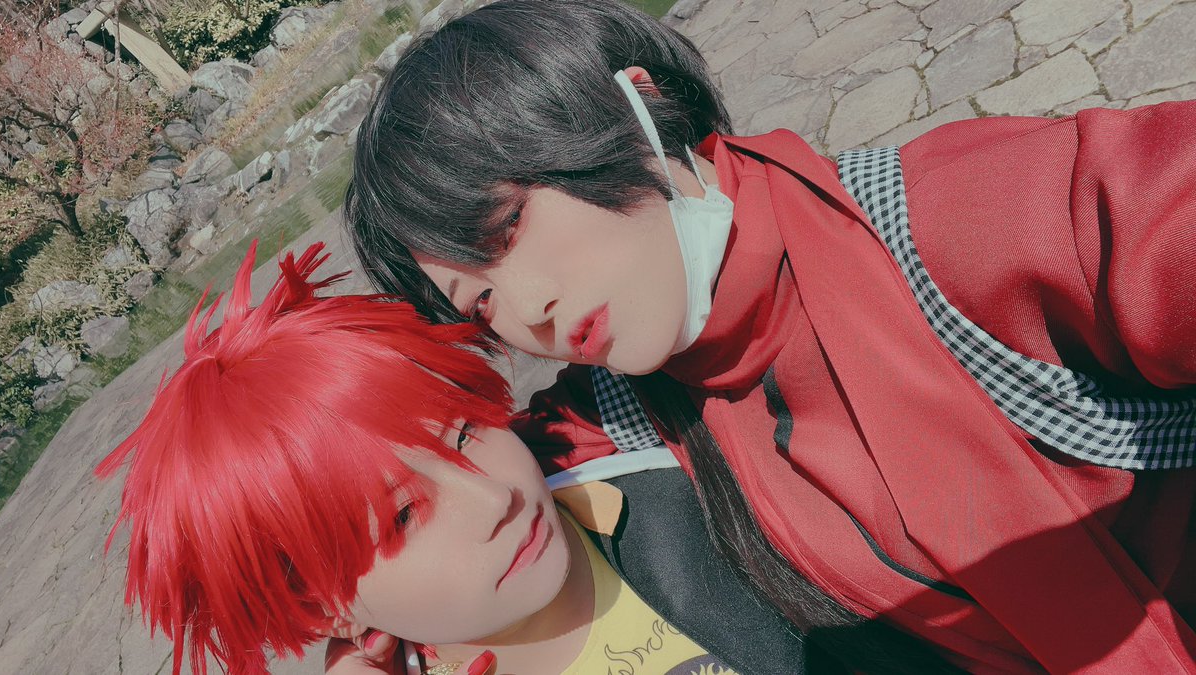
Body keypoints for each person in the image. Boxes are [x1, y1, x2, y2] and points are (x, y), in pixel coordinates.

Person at [343, 0, 1196, 672]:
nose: (529, 306)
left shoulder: (965, 224)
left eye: (510, 223)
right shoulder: (629, 410)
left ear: (637, 105)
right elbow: (407, 475)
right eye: (481, 302)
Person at [96, 242, 808, 675]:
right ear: (324, 608)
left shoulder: (641, 443)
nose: (495, 498)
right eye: (404, 516)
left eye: (464, 433)